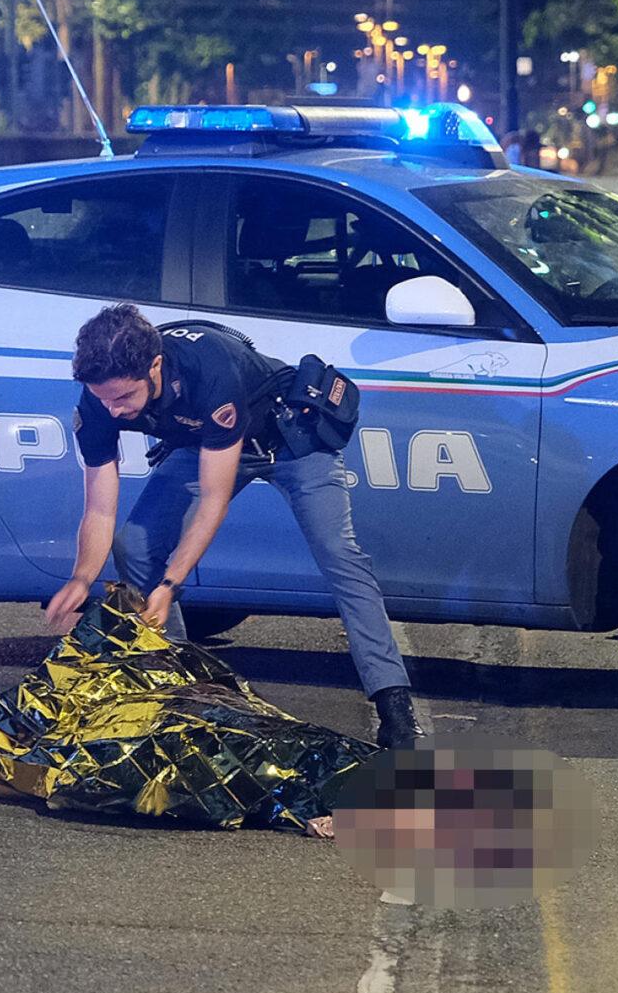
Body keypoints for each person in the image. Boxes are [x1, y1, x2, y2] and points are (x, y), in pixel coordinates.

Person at [41, 303, 425, 749]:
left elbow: (213, 501)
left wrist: (170, 584)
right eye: (104, 399)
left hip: (289, 440)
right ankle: (180, 685)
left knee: (340, 555)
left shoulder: (210, 371)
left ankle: (393, 701)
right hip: (204, 444)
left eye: (125, 398)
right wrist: (82, 576)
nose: (115, 410)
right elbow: (101, 510)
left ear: (156, 367)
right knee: (135, 543)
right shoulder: (100, 400)